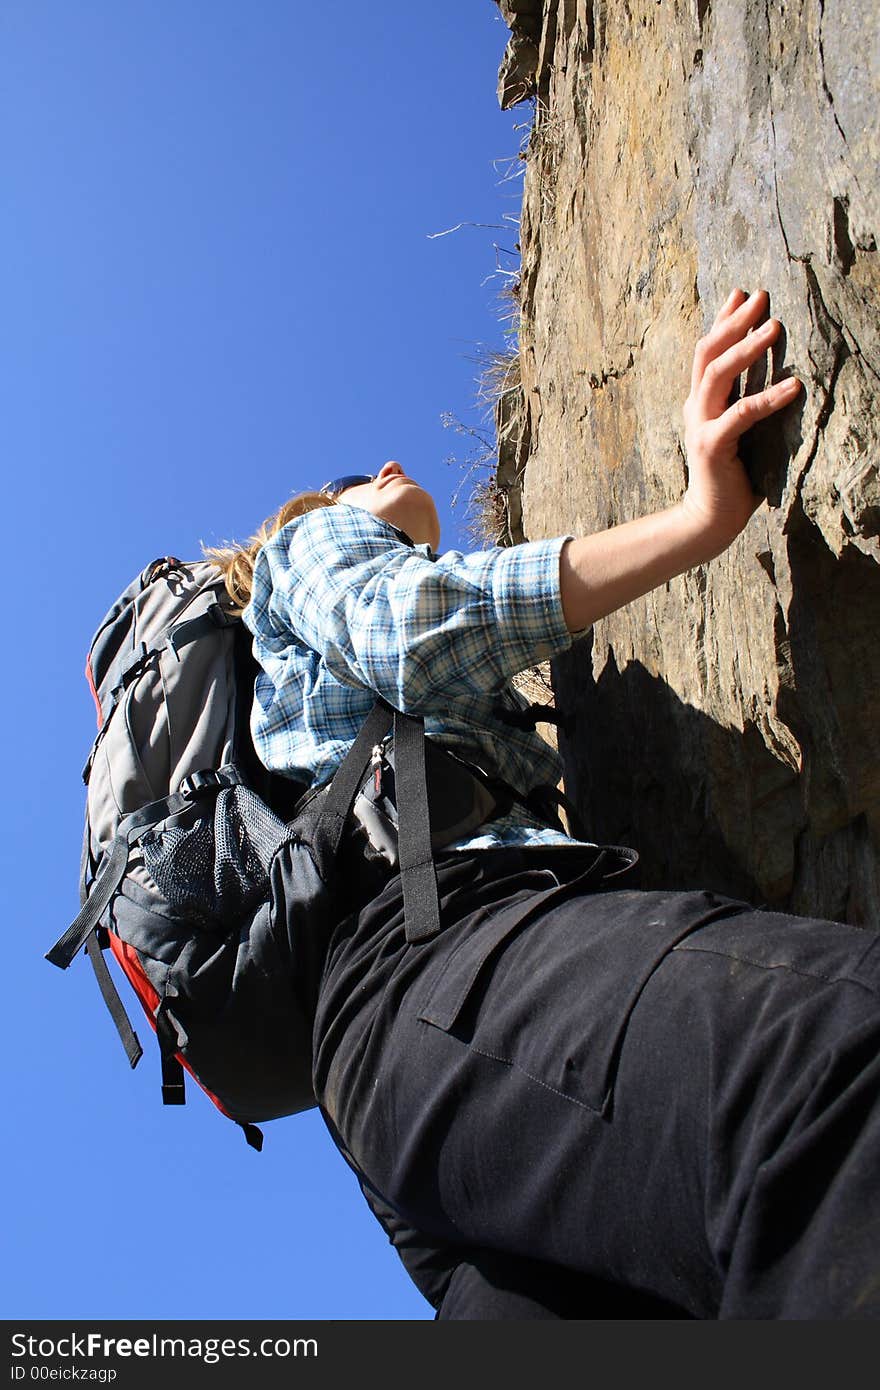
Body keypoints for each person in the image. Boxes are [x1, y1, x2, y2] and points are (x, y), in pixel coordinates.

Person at [209, 289, 880, 1319]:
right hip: (439, 967)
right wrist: (698, 520)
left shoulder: (314, 722)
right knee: (830, 1062)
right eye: (357, 484)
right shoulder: (309, 551)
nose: (388, 469)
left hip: (415, 1103)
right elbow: (417, 630)